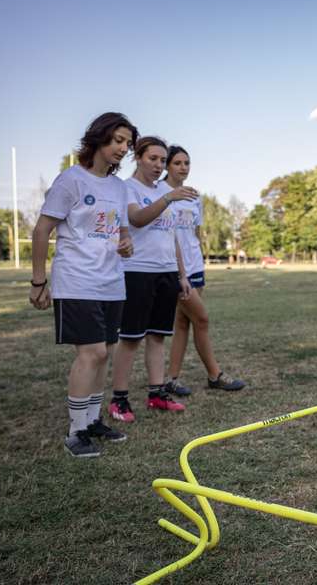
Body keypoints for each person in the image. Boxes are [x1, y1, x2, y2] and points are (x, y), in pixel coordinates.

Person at [29, 112, 138, 457]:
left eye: (127, 144)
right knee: (92, 354)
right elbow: (42, 231)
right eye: (118, 140)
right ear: (99, 138)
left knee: (104, 354)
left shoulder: (120, 188)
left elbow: (122, 234)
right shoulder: (70, 181)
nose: (123, 148)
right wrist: (38, 281)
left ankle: (92, 421)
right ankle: (75, 432)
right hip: (76, 281)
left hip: (111, 282)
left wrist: (126, 244)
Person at [108, 136, 199, 422]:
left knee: (158, 337)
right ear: (137, 157)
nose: (159, 165)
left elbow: (171, 236)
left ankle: (156, 394)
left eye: (162, 160)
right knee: (131, 338)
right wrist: (168, 197)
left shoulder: (161, 190)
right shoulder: (127, 189)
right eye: (153, 159)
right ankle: (119, 400)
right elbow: (136, 219)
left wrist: (181, 275)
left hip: (167, 272)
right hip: (137, 271)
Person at [162, 145, 246, 395]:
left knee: (183, 323)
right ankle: (215, 374)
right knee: (201, 318)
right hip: (175, 268)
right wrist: (180, 271)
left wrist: (197, 256)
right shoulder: (159, 193)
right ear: (167, 166)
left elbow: (195, 231)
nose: (183, 167)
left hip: (195, 265)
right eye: (177, 163)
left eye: (187, 163)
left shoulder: (194, 196)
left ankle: (172, 379)